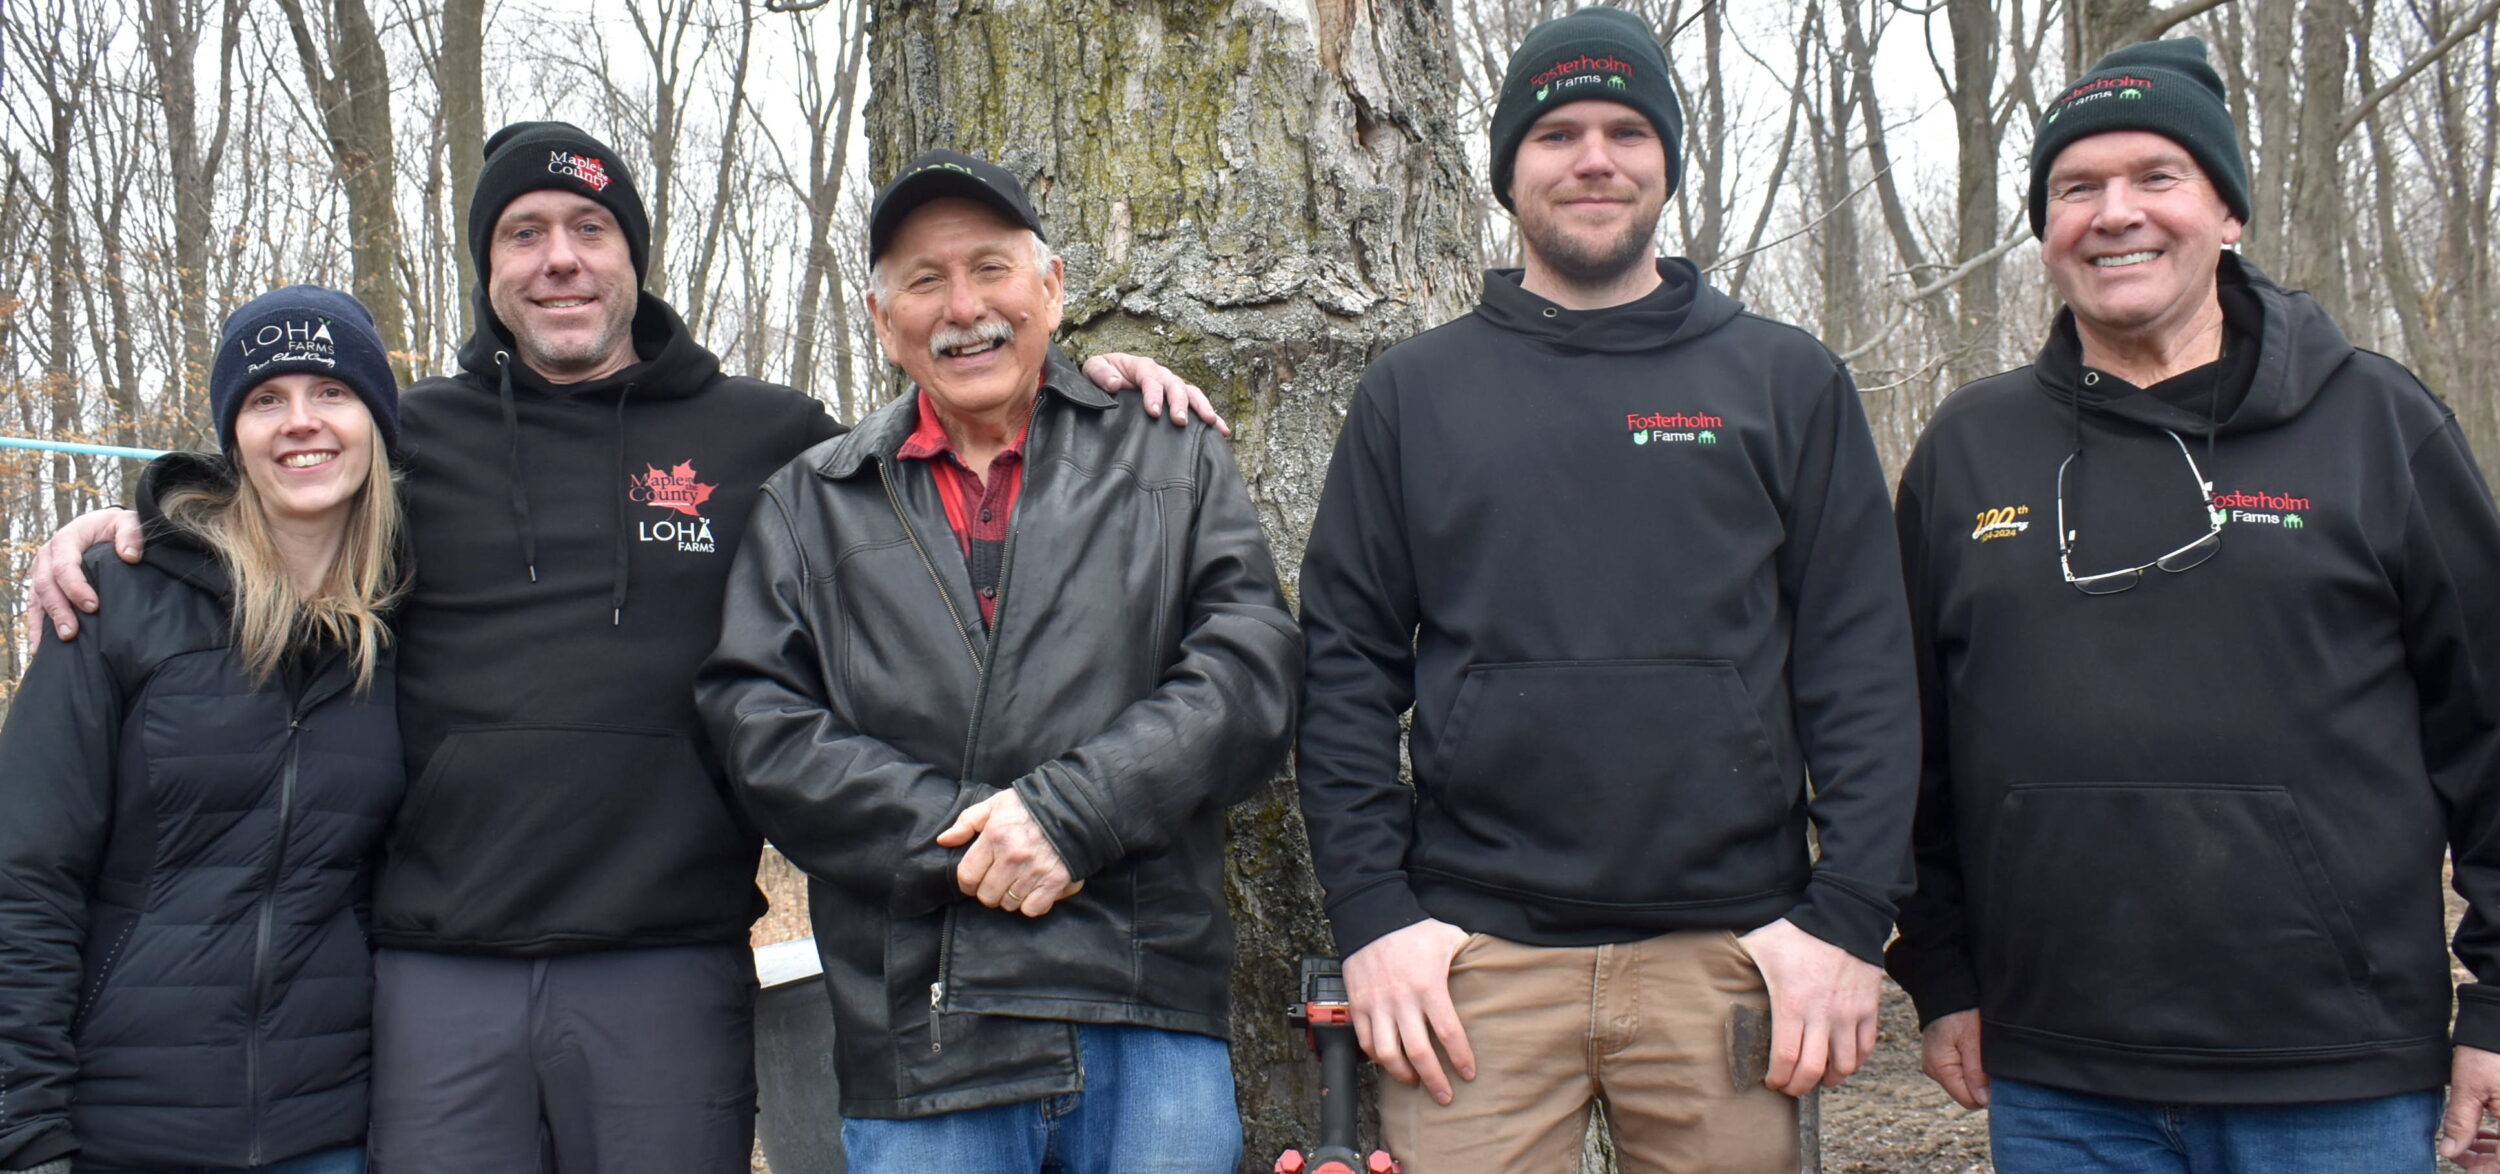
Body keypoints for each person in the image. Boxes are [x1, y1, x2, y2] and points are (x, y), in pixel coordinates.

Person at [21, 124, 1219, 1174]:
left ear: (631, 252)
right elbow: (281, 492)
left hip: (665, 960)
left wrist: (1093, 388)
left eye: (589, 226)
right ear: (488, 269)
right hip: (438, 970)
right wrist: (124, 527)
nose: (559, 258)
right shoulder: (412, 441)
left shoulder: (767, 434)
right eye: (525, 233)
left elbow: (941, 423)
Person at [1292, 8, 1919, 1171]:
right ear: (1507, 169)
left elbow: (1866, 672)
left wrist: (1845, 921)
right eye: (1557, 133)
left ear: (1667, 161)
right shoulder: (1415, 394)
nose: (1594, 159)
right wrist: (1375, 919)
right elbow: (1341, 674)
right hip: (1474, 965)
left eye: (1627, 131)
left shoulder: (1783, 381)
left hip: (1728, 954)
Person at [1886, 37, 2500, 1174]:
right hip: (2061, 1083)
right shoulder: (1970, 451)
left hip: (2339, 1076)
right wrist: (1942, 973)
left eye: (2155, 177)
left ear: (2227, 214)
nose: (2114, 213)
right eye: (2077, 188)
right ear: (2044, 229)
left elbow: (2490, 727)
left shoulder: (2378, 427)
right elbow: (1907, 742)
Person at [696, 149, 1299, 1174]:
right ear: (884, 321)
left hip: (1143, 1003)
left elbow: (1250, 668)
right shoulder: (811, 504)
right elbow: (758, 724)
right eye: (924, 281)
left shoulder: (1169, 453)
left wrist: (1074, 813)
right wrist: (968, 839)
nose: (962, 306)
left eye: (991, 268)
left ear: (1053, 289)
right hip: (922, 1031)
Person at [0, 286, 407, 1174]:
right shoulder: (118, 599)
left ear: (377, 419)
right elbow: (25, 877)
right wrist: (22, 1131)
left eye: (332, 392)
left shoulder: (407, 624)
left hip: (330, 1135)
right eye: (267, 399)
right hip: (117, 1131)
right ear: (234, 436)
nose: (301, 422)